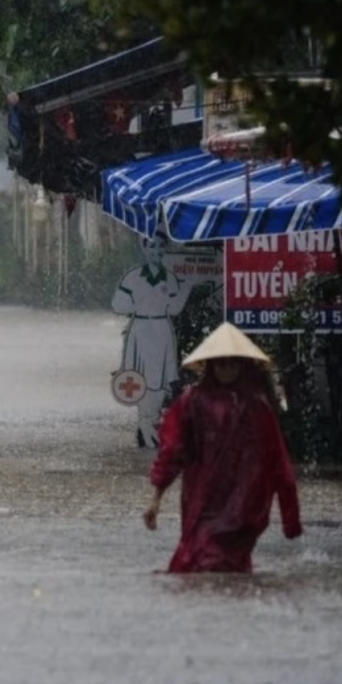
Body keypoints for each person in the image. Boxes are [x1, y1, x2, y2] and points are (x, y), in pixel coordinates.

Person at [144, 324, 302, 574]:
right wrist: (156, 499)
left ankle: (229, 607)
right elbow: (173, 450)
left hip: (245, 499)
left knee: (224, 561)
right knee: (198, 557)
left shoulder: (257, 408)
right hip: (202, 496)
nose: (226, 370)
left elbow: (278, 462)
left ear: (242, 366)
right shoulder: (192, 402)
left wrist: (290, 518)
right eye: (220, 364)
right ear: (211, 366)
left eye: (232, 364)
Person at [112, 239, 190, 448]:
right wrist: (139, 304)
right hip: (140, 330)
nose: (156, 250)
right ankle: (144, 425)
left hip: (162, 331)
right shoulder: (133, 277)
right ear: (144, 250)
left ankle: (150, 424)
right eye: (151, 246)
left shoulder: (170, 279)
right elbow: (117, 304)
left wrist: (188, 287)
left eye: (159, 246)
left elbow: (174, 307)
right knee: (140, 379)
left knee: (161, 380)